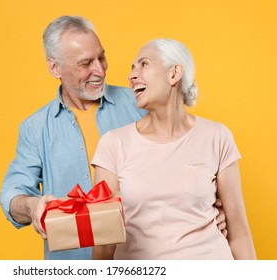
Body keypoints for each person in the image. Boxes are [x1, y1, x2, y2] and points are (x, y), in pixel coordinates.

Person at [0, 16, 227, 260]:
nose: (99, 69)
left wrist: (207, 214)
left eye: (101, 57)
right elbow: (12, 193)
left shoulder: (142, 102)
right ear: (55, 67)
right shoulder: (36, 128)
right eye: (86, 63)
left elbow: (192, 160)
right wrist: (32, 207)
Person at [91, 38, 256, 259]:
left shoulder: (217, 136)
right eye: (132, 68)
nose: (131, 75)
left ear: (174, 73)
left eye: (144, 64)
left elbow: (239, 233)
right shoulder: (113, 144)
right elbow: (104, 243)